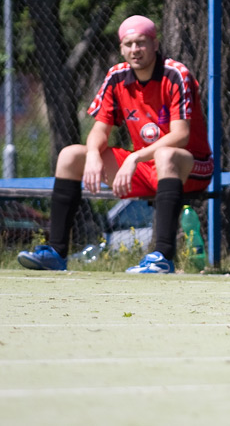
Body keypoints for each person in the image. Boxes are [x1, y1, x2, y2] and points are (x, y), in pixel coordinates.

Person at [18, 15, 213, 274]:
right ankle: (55, 253)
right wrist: (93, 155)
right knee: (70, 155)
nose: (135, 50)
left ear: (155, 44)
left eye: (141, 43)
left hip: (190, 167)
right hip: (146, 166)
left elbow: (181, 136)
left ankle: (162, 257)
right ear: (121, 48)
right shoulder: (117, 76)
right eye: (129, 44)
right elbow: (100, 129)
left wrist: (134, 158)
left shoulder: (176, 74)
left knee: (166, 154)